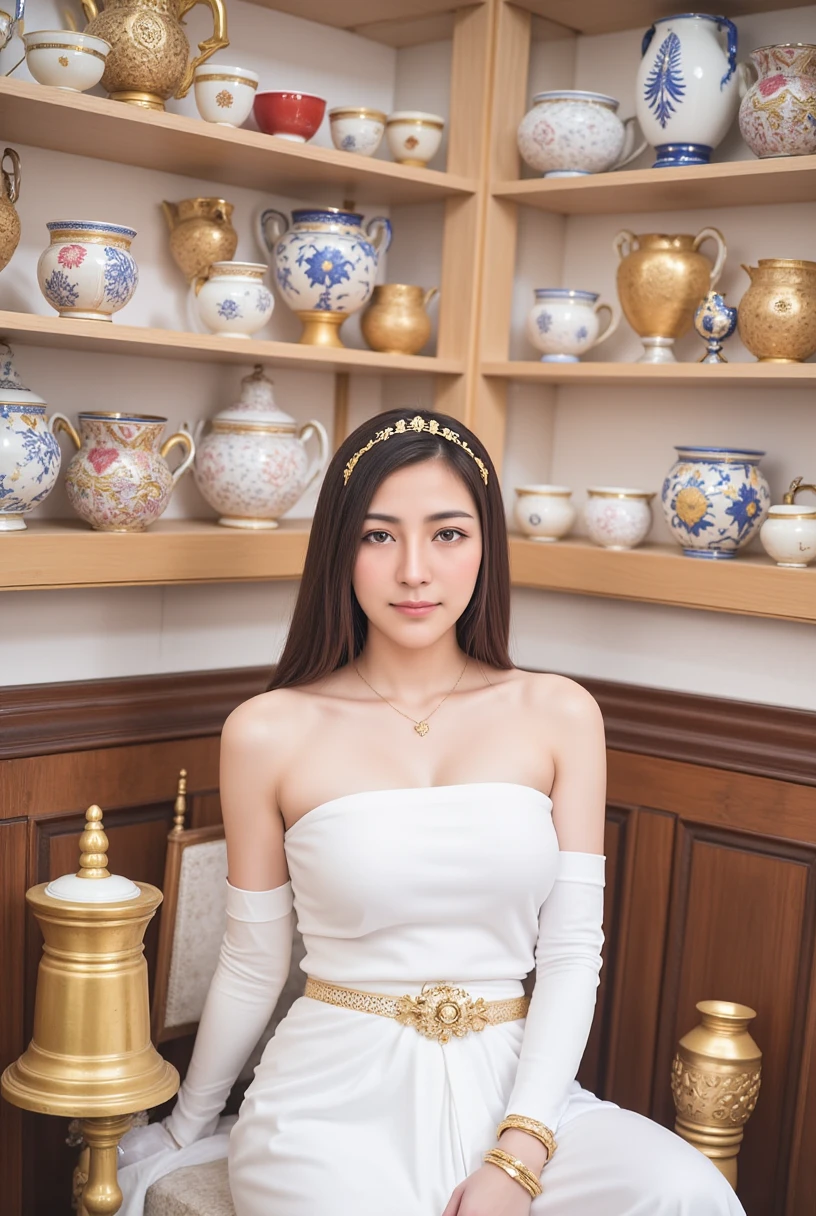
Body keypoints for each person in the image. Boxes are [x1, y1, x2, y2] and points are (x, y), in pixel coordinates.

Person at [117, 408, 746, 1216]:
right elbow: (251, 958)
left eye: (448, 534)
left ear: (486, 546)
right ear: (339, 551)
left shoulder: (559, 713)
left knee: (686, 1194)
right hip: (330, 1098)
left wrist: (519, 1152)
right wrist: (188, 1125)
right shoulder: (268, 730)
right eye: (380, 536)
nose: (415, 570)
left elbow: (569, 953)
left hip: (518, 1088)